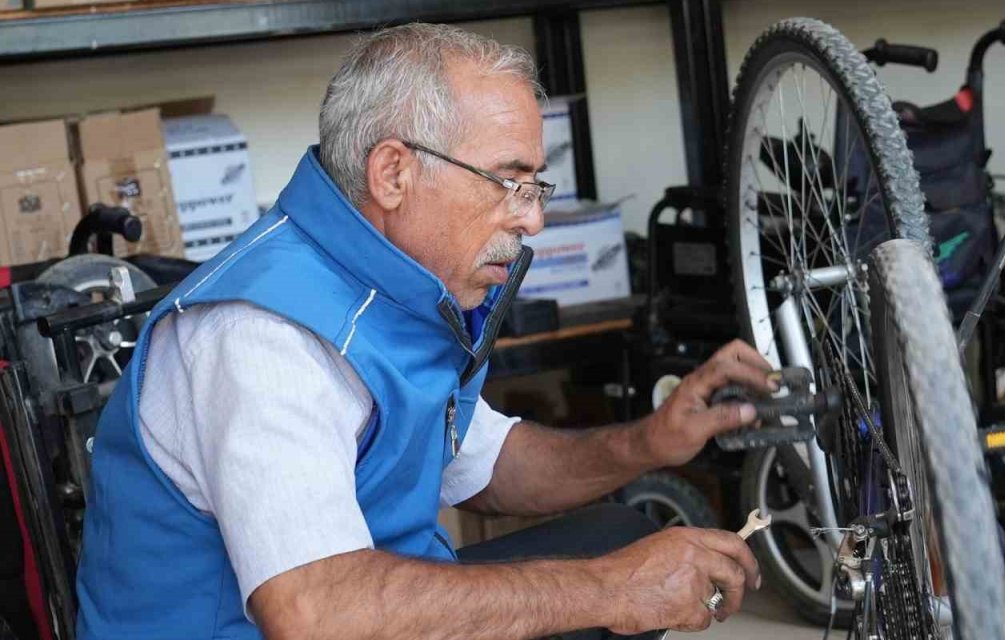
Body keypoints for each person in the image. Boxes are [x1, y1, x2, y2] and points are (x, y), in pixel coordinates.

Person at [75, 23, 773, 640]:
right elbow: (316, 615)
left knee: (623, 534)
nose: (531, 220)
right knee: (611, 581)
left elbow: (487, 467)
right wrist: (611, 591)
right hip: (303, 619)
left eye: (535, 187)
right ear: (394, 173)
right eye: (509, 181)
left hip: (366, 599)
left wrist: (648, 441)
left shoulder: (389, 284)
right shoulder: (262, 336)